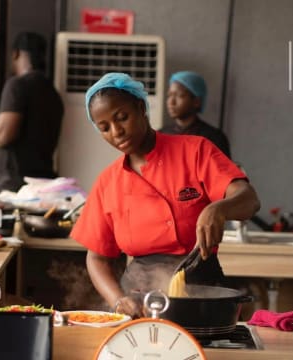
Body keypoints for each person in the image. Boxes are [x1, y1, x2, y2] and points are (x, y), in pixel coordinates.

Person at [70, 72, 260, 318]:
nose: (116, 132)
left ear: (141, 108)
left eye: (122, 118)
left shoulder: (195, 150)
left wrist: (219, 209)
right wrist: (118, 300)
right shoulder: (108, 181)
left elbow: (249, 199)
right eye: (104, 128)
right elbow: (97, 259)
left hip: (203, 291)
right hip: (140, 299)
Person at [0, 32, 64, 196]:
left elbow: (4, 135)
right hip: (45, 185)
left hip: (17, 188)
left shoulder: (17, 85)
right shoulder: (53, 93)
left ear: (16, 53)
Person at [159, 71, 231, 158]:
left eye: (180, 96)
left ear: (196, 101)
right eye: (169, 95)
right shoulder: (161, 135)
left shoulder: (213, 138)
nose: (171, 102)